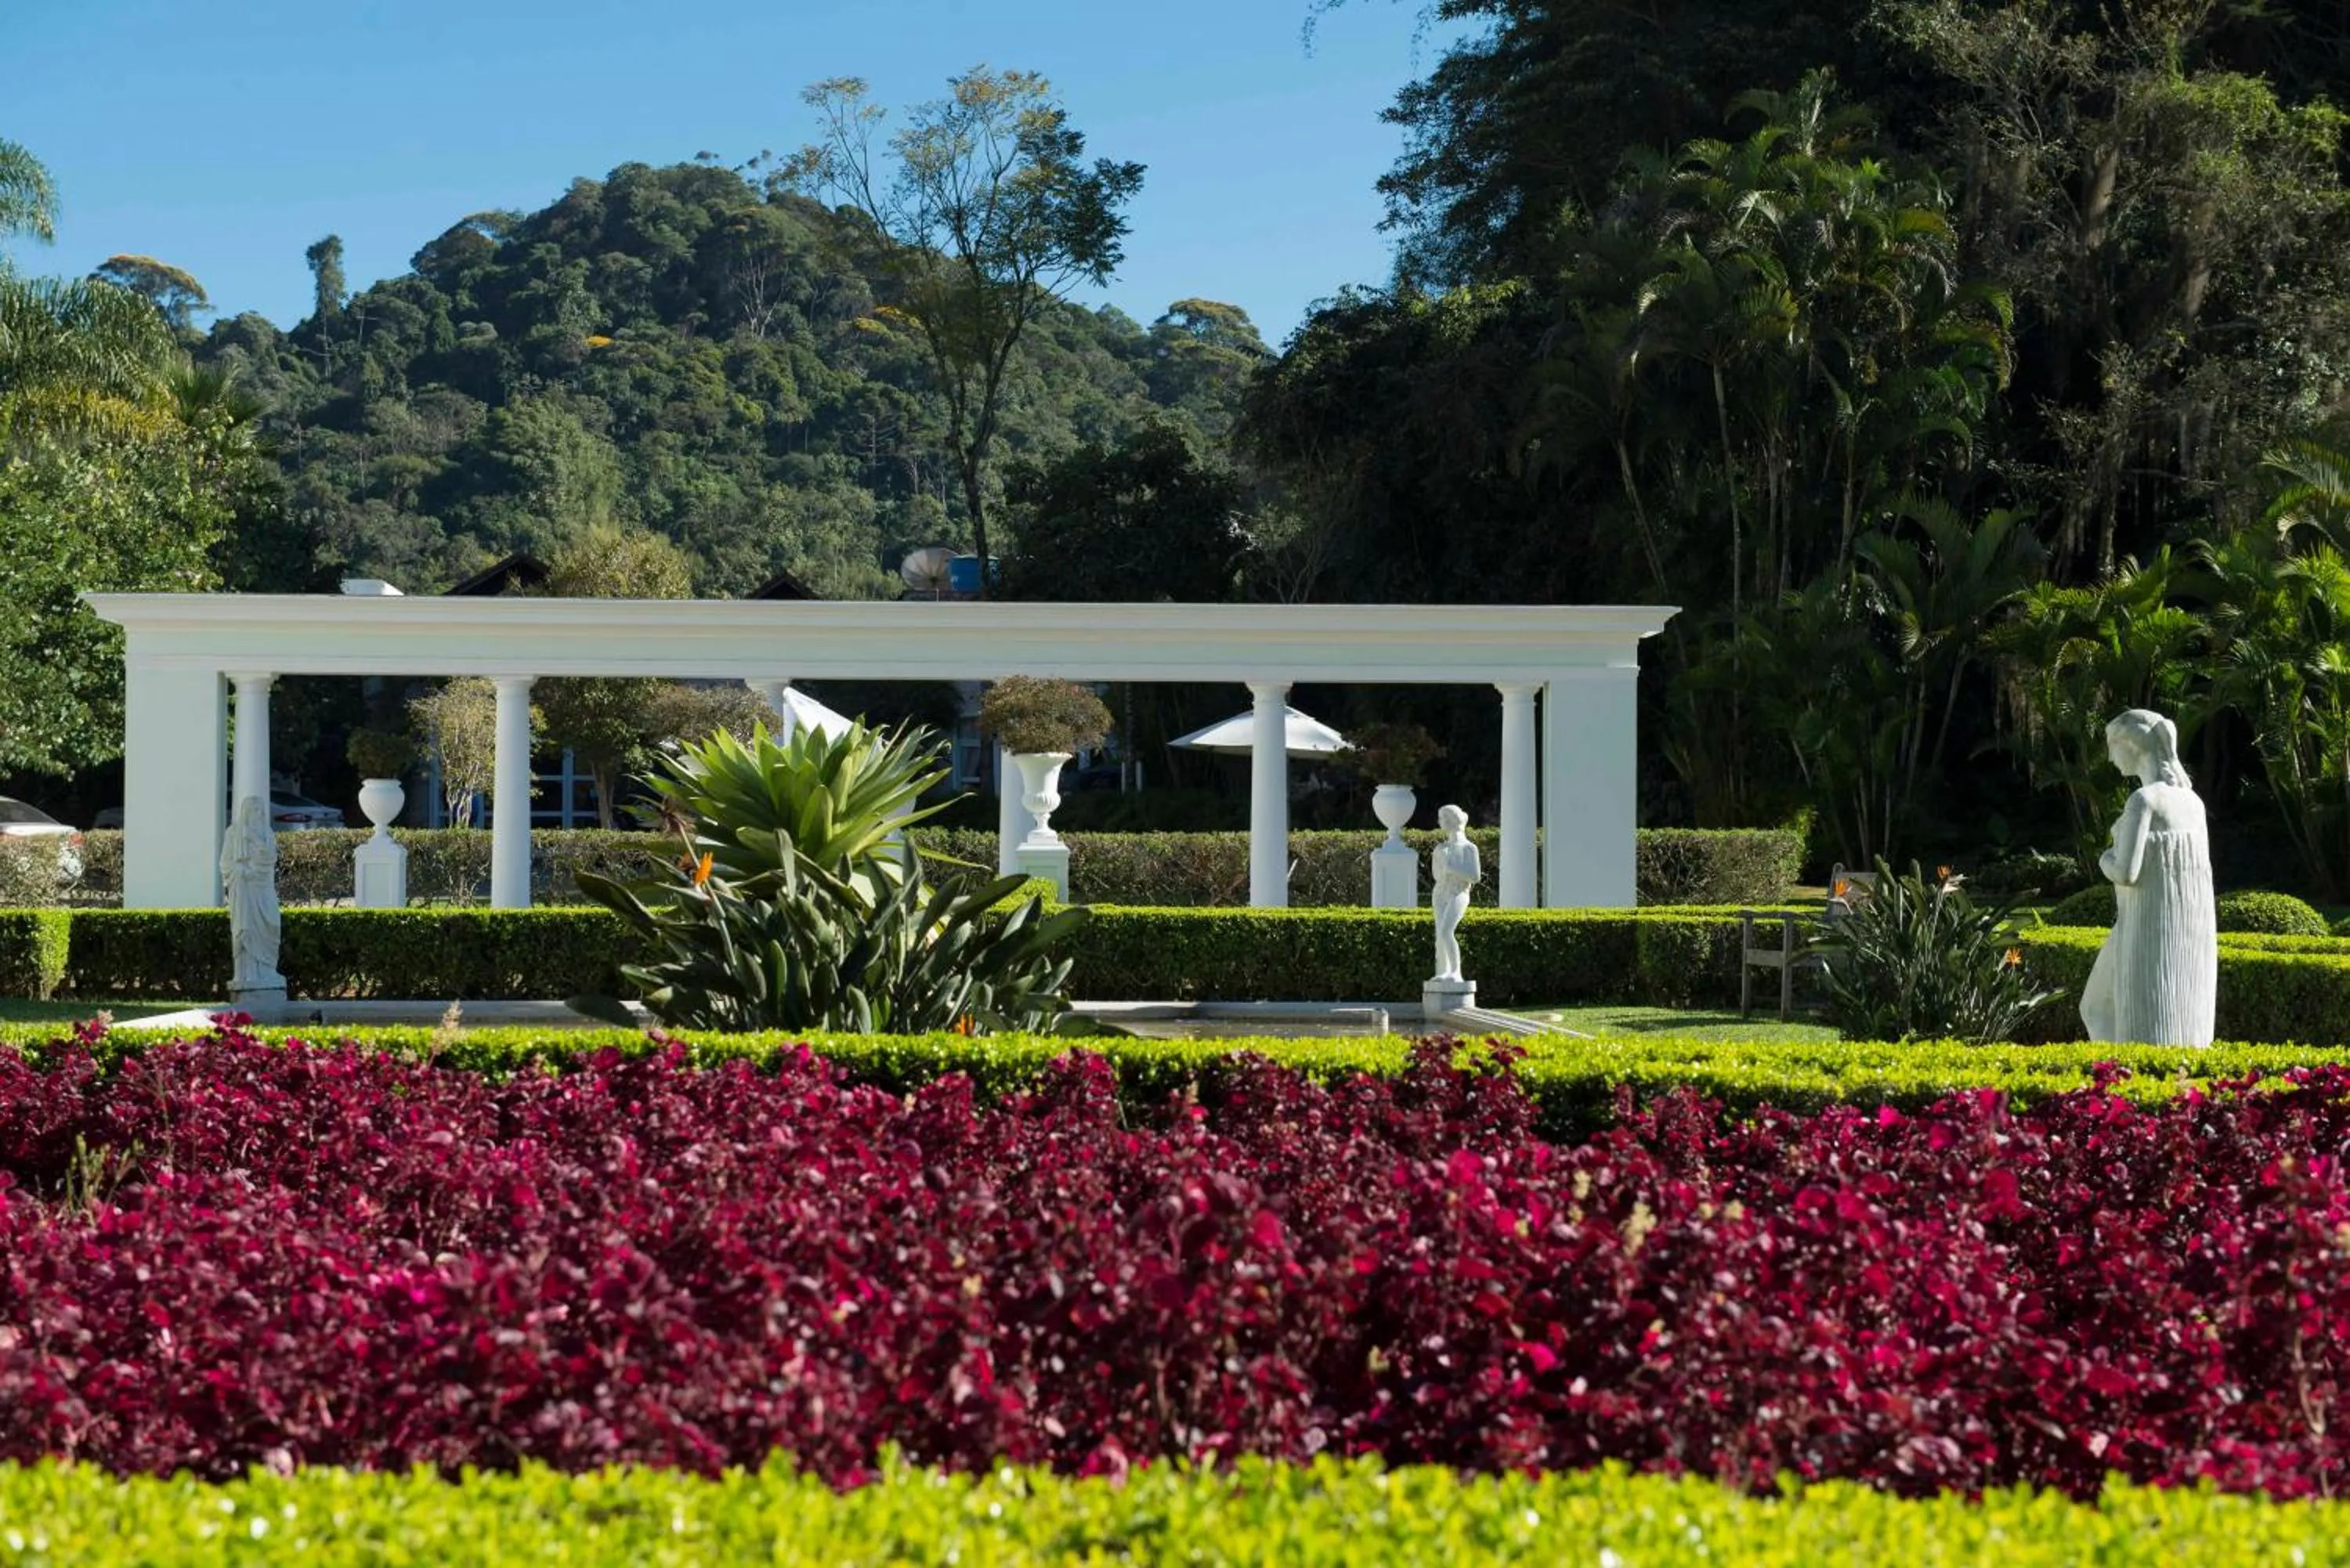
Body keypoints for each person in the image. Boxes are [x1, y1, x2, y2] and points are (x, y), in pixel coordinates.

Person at [2080, 709, 2216, 1046]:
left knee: (2096, 1008)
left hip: (2144, 925)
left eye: (2113, 746)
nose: (2111, 758)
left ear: (2132, 746)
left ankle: (2115, 1073)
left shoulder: (2144, 801)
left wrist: (2104, 857)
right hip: (2183, 927)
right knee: (2097, 1007)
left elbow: (2126, 873)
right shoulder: (2192, 802)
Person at [222, 794, 284, 994]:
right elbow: (226, 863)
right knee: (245, 929)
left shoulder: (267, 833)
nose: (259, 814)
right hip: (244, 889)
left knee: (272, 924)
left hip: (263, 888)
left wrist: (254, 839)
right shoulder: (233, 834)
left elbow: (270, 857)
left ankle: (267, 970)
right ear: (246, 812)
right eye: (255, 810)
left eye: (261, 810)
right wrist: (242, 872)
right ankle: (245, 974)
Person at [1430, 803, 1480, 983]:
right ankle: (1443, 972)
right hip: (1440, 893)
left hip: (1459, 892)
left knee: (1446, 931)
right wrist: (1442, 863)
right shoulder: (1440, 848)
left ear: (1453, 820)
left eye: (1443, 818)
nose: (1440, 821)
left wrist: (1452, 869)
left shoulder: (1469, 848)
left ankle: (1456, 972)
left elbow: (1475, 876)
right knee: (1440, 935)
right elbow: (1437, 875)